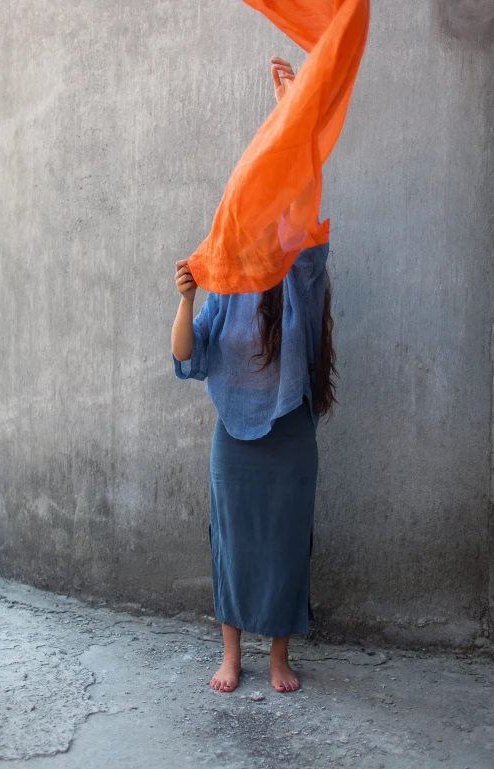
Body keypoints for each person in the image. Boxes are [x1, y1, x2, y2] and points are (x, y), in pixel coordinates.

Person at [171, 57, 338, 694]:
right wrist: (187, 298)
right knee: (232, 545)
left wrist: (292, 113)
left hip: (289, 432)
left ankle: (278, 658)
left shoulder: (301, 276)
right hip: (231, 439)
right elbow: (187, 358)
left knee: (286, 543)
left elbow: (302, 196)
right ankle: (232, 656)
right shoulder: (224, 286)